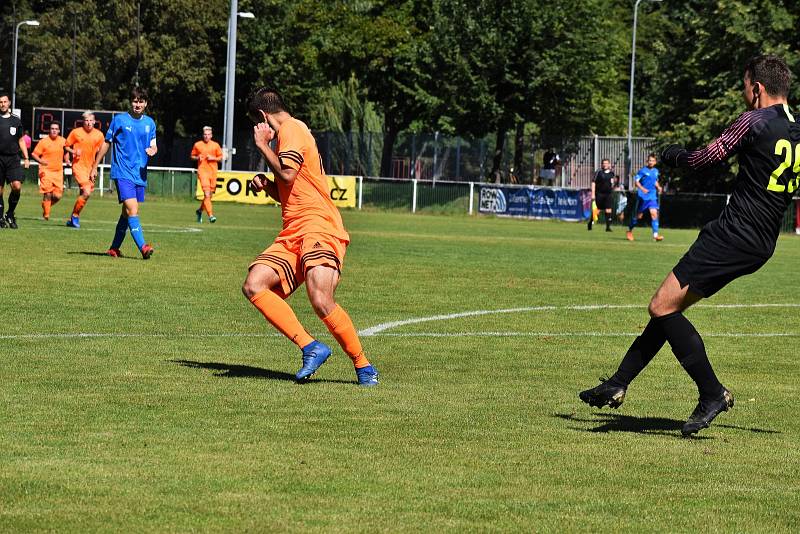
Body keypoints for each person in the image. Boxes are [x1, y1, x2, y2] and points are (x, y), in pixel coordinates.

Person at [579, 54, 799, 437]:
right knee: (670, 307)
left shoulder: (755, 120)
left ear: (757, 89)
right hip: (762, 241)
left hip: (733, 233)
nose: (744, 94)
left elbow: (703, 159)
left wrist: (673, 155)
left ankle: (712, 394)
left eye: (745, 87)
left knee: (661, 306)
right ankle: (618, 382)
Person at [241, 86, 379, 387]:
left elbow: (288, 174)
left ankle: (363, 364)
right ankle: (311, 347)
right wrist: (267, 185)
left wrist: (262, 146)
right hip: (293, 231)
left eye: (257, 123)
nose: (258, 129)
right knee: (254, 285)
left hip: (318, 225)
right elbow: (291, 186)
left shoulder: (291, 129)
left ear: (264, 116)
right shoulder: (290, 135)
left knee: (320, 297)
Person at [92, 87, 156, 259]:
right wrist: (95, 165)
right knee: (132, 209)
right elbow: (106, 143)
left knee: (126, 213)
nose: (137, 104)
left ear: (145, 104)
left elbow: (153, 144)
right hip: (122, 172)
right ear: (131, 102)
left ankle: (114, 248)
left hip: (139, 174)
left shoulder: (150, 123)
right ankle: (143, 247)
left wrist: (153, 149)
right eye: (135, 101)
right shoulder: (119, 120)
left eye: (141, 101)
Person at [64, 111, 105, 228]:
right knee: (86, 192)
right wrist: (73, 151)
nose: (89, 123)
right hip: (78, 166)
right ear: (83, 121)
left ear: (94, 121)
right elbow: (66, 146)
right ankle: (75, 216)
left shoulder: (99, 135)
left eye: (91, 120)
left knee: (84, 194)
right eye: (86, 120)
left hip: (91, 168)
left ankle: (71, 219)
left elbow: (101, 152)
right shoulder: (76, 132)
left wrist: (96, 167)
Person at [0, 92, 30, 229]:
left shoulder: (16, 120)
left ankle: (10, 214)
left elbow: (20, 140)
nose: (2, 104)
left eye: (5, 102)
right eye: (0, 102)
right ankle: (0, 217)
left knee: (16, 186)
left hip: (13, 158)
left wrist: (26, 157)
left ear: (9, 103)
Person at [31, 121, 68, 221]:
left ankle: (46, 205)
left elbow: (66, 151)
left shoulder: (63, 141)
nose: (54, 131)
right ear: (49, 130)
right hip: (46, 170)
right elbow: (34, 154)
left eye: (56, 129)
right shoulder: (44, 142)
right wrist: (40, 161)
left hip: (58, 172)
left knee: (58, 196)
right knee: (47, 193)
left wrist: (67, 159)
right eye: (52, 129)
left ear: (59, 130)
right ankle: (46, 215)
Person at [626, 154, 664, 241]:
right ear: (647, 161)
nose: (651, 162)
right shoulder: (643, 171)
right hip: (643, 197)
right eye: (649, 160)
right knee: (638, 217)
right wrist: (642, 189)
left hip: (652, 196)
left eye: (653, 161)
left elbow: (655, 181)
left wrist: (658, 187)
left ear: (655, 162)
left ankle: (655, 235)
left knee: (654, 214)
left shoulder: (655, 171)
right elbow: (636, 182)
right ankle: (629, 230)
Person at [191, 126, 223, 223]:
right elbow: (192, 156)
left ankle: (200, 211)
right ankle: (211, 215)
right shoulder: (198, 145)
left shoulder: (216, 145)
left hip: (213, 172)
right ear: (203, 135)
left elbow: (221, 158)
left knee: (209, 196)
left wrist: (213, 158)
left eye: (208, 134)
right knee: (207, 193)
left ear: (211, 135)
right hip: (202, 171)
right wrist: (197, 158)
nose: (206, 136)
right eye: (205, 134)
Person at [589, 158, 616, 232]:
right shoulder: (599, 172)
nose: (605, 165)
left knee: (608, 210)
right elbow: (593, 182)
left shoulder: (612, 173)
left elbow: (613, 183)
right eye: (603, 163)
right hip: (600, 194)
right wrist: (593, 194)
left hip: (608, 194)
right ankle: (590, 223)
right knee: (597, 211)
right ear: (601, 164)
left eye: (606, 163)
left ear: (609, 164)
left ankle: (608, 227)